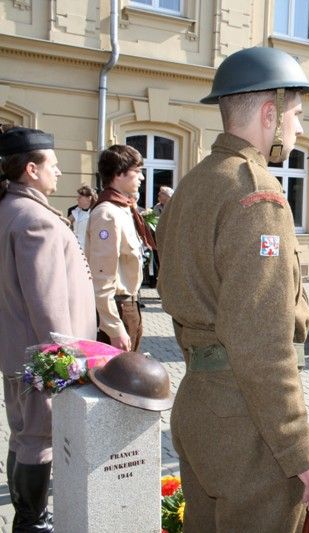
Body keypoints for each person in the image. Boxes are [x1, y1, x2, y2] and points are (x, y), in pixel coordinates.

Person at [156, 46, 309, 531]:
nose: (298, 129)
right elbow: (260, 340)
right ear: (269, 113)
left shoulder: (193, 185)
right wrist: (299, 446)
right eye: (296, 115)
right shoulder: (256, 194)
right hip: (248, 422)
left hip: (199, 402)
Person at [0, 127, 96, 532]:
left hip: (18, 351)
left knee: (23, 433)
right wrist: (67, 365)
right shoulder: (34, 220)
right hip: (41, 357)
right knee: (39, 438)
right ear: (31, 169)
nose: (59, 173)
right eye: (53, 166)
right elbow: (47, 306)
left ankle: (27, 515)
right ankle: (31, 521)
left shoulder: (9, 208)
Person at [85, 145, 153, 352]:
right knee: (114, 381)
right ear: (118, 174)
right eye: (137, 171)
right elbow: (101, 277)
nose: (142, 178)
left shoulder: (123, 209)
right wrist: (114, 328)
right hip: (118, 309)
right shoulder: (108, 214)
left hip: (129, 307)